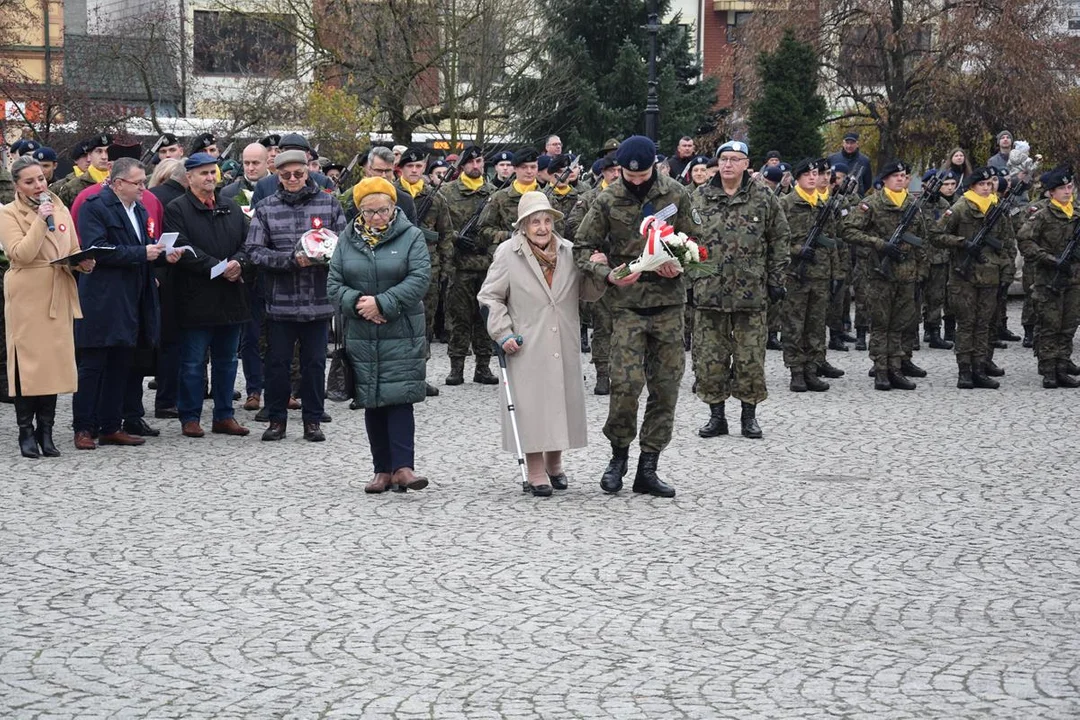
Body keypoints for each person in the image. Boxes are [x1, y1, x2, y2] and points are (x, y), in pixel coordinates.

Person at [574, 135, 700, 498]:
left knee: (665, 388)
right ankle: (618, 458)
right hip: (627, 306)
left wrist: (681, 265)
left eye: (643, 174)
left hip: (668, 306)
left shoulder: (675, 194)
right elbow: (582, 247)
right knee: (626, 386)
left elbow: (699, 242)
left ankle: (649, 466)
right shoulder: (608, 198)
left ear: (654, 167)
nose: (636, 180)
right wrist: (607, 273)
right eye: (630, 176)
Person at [478, 192, 607, 496]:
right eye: (535, 221)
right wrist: (503, 332)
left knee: (560, 402)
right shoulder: (508, 253)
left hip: (562, 337)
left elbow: (587, 293)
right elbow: (489, 296)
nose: (542, 227)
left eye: (547, 220)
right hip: (526, 340)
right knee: (532, 407)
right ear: (522, 225)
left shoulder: (569, 252)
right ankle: (535, 470)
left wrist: (599, 271)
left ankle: (555, 463)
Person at [327, 177, 431, 493]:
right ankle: (381, 470)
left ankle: (404, 468)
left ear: (393, 207)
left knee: (400, 397)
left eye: (383, 210)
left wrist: (383, 304)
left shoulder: (412, 236)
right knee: (371, 399)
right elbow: (333, 284)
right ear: (359, 212)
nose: (377, 217)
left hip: (401, 329)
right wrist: (359, 304)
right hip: (362, 330)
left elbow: (420, 277)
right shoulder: (347, 240)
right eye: (369, 212)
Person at [73, 158, 183, 449]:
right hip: (103, 297)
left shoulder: (141, 208)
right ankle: (84, 426)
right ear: (119, 183)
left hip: (133, 297)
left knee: (122, 363)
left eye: (144, 182)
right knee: (93, 365)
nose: (144, 188)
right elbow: (98, 250)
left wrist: (162, 254)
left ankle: (112, 425)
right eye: (138, 183)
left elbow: (143, 246)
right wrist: (141, 253)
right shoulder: (94, 206)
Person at [245, 149, 346, 441]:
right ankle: (276, 419)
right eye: (285, 174)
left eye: (298, 174)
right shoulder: (265, 207)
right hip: (280, 302)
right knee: (277, 363)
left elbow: (344, 247)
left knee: (314, 364)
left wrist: (323, 256)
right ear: (277, 175)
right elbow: (254, 251)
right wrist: (289, 260)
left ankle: (313, 420)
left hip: (318, 301)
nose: (292, 179)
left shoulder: (329, 204)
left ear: (308, 173)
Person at [692, 140, 789, 437]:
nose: (728, 165)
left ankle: (749, 416)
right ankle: (716, 416)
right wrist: (689, 280)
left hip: (751, 290)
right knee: (710, 358)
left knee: (750, 358)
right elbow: (683, 241)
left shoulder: (763, 198)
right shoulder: (699, 197)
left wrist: (776, 279)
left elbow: (780, 239)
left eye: (735, 159)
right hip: (709, 290)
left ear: (747, 164)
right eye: (723, 159)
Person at [0, 156, 95, 457]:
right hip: (28, 291)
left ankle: (47, 431)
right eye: (29, 182)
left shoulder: (60, 206)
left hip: (58, 287)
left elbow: (72, 247)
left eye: (40, 178)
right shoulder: (8, 213)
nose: (38, 185)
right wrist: (41, 220)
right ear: (17, 185)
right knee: (29, 365)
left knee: (53, 363)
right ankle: (26, 431)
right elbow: (21, 253)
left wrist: (83, 263)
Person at [164, 153, 252, 436]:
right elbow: (183, 248)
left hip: (230, 298)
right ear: (189, 177)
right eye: (203, 173)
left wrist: (239, 263)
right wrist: (218, 267)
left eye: (212, 172)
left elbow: (248, 242)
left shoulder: (231, 207)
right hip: (196, 298)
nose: (210, 178)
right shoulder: (177, 209)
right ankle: (190, 416)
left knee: (227, 362)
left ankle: (224, 415)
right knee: (192, 363)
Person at [843, 160, 929, 390]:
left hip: (906, 275)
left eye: (903, 175)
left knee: (900, 324)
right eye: (895, 176)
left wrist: (921, 271)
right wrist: (879, 244)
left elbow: (922, 239)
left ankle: (896, 368)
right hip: (879, 274)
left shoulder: (912, 204)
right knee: (881, 325)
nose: (901, 179)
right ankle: (881, 370)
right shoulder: (871, 204)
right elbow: (848, 230)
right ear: (885, 180)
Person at [931, 166, 1016, 389]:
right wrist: (962, 243)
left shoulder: (996, 208)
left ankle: (980, 368)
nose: (987, 188)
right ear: (972, 186)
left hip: (991, 276)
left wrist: (1006, 271)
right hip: (965, 277)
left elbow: (1006, 242)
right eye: (982, 184)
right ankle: (965, 371)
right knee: (967, 325)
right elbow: (936, 235)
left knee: (984, 325)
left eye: (990, 184)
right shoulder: (960, 208)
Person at [778, 158, 840, 393]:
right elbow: (776, 238)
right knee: (794, 324)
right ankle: (796, 371)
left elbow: (832, 240)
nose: (813, 177)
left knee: (815, 324)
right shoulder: (786, 204)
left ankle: (812, 370)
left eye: (815, 173)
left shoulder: (824, 204)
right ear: (797, 178)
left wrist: (835, 273)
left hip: (821, 274)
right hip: (796, 274)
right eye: (807, 174)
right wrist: (797, 251)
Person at [441, 145, 500, 386]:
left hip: (487, 264)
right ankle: (457, 367)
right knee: (459, 317)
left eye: (480, 162)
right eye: (471, 162)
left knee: (485, 318)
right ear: (462, 166)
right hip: (459, 265)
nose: (476, 166)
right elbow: (441, 226)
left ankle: (483, 367)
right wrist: (456, 237)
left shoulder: (493, 193)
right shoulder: (447, 192)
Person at [1017, 165, 1080, 388]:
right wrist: (1049, 259)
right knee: (1049, 325)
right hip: (1048, 279)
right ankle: (1048, 370)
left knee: (1069, 324)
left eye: (1069, 186)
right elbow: (1025, 241)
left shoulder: (1076, 213)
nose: (1067, 191)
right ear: (1051, 192)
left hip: (1074, 279)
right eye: (1062, 188)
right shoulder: (1042, 215)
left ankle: (1062, 366)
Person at [397, 147, 452, 397]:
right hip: (397, 267)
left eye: (419, 166)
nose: (415, 171)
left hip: (428, 267)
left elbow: (445, 235)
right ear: (401, 168)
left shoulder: (436, 198)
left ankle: (419, 374)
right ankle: (397, 375)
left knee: (424, 323)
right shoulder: (391, 195)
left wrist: (445, 267)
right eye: (411, 167)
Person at [566, 154, 620, 395]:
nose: (616, 174)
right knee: (603, 325)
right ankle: (603, 374)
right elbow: (575, 229)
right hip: (602, 271)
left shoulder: (636, 197)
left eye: (619, 169)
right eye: (611, 170)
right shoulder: (589, 198)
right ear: (603, 173)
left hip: (634, 269)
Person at [922, 169, 958, 350]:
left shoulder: (944, 204)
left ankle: (934, 331)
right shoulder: (917, 204)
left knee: (937, 296)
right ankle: (913, 334)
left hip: (940, 256)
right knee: (916, 297)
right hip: (920, 257)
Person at [56, 134, 111, 207]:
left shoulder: (121, 184)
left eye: (108, 151)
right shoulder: (72, 187)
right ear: (90, 155)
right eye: (99, 151)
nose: (104, 157)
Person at [220, 143, 270, 212]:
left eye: (255, 163)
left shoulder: (280, 188)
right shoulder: (228, 193)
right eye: (246, 163)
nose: (250, 168)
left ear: (267, 163)